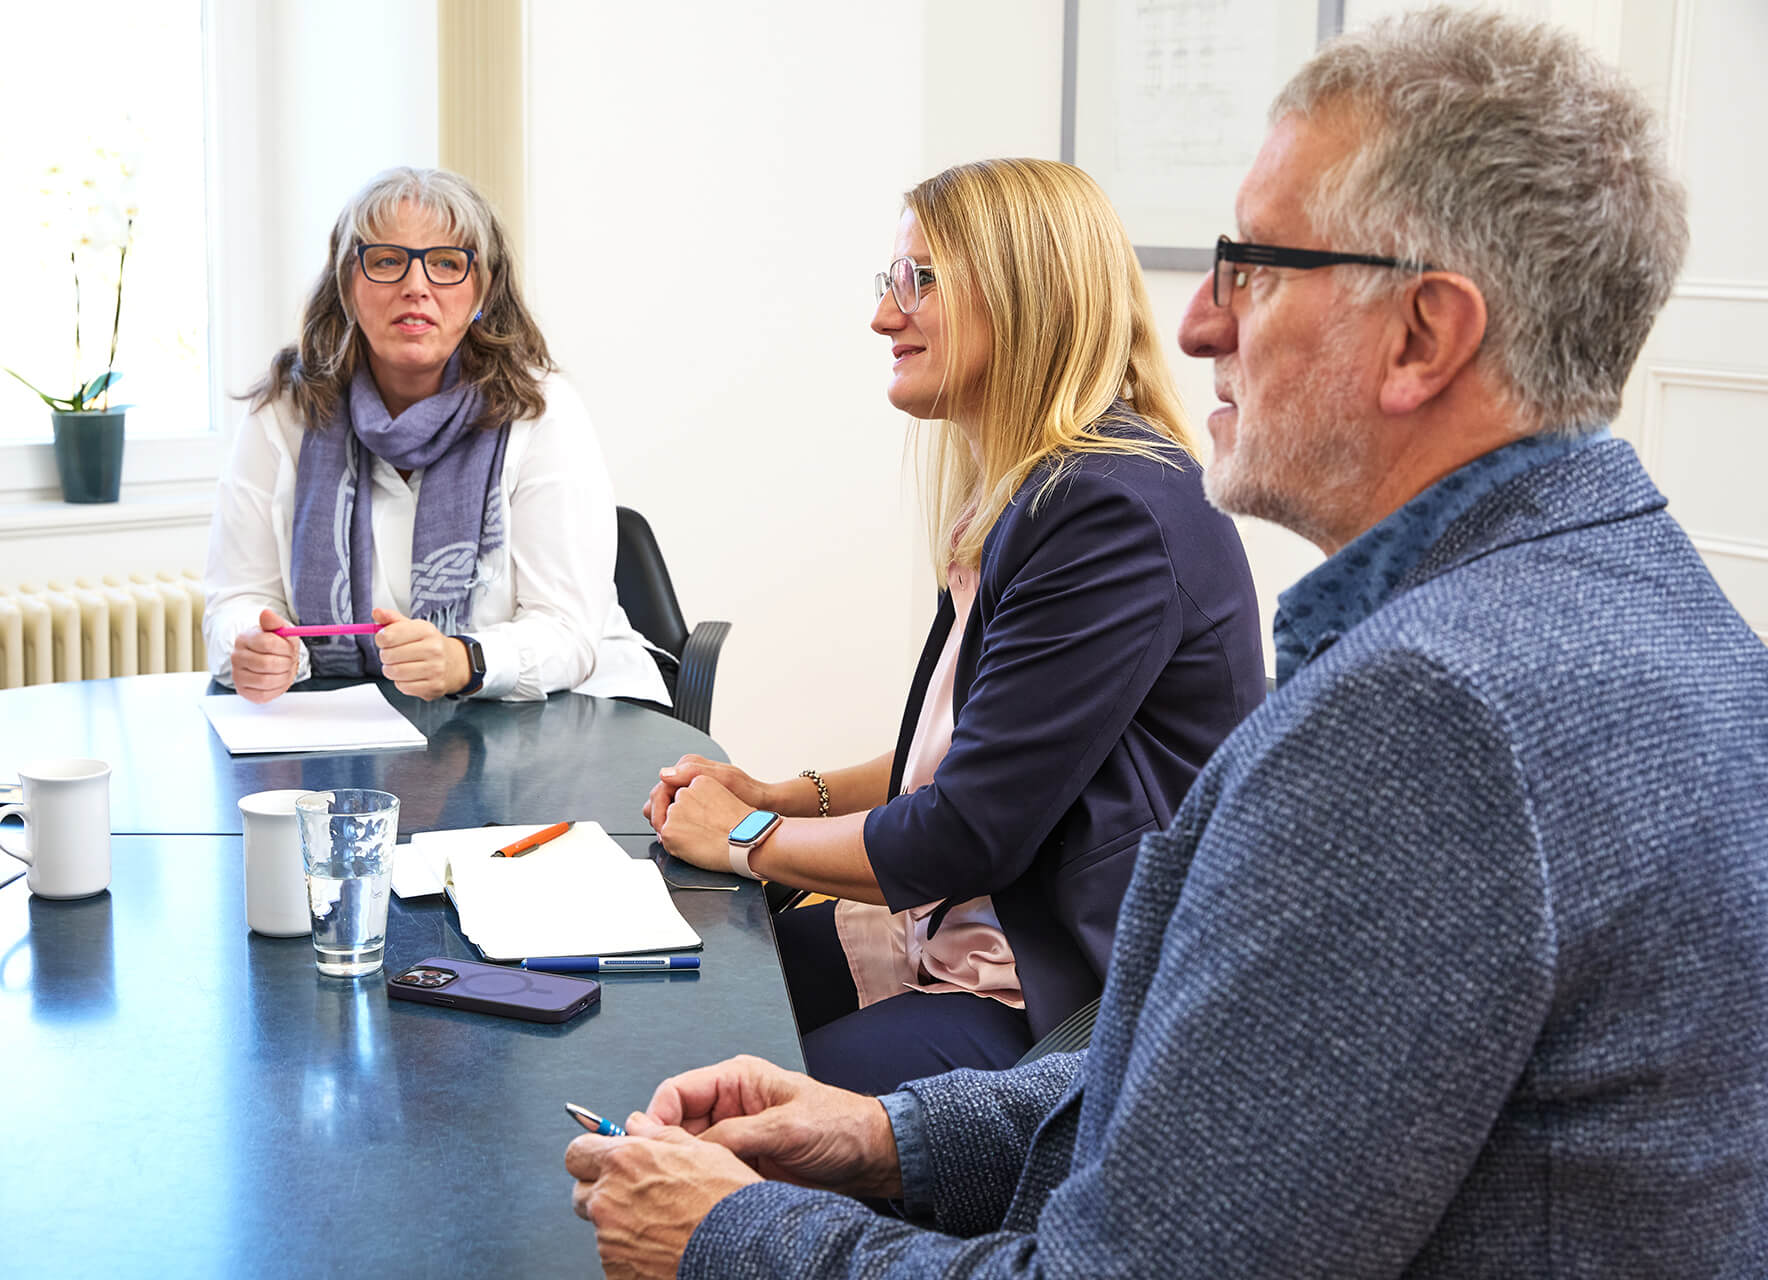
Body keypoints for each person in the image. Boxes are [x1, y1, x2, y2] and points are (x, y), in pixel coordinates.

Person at [567, 11, 1768, 1277]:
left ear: (1424, 334)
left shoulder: (1429, 714)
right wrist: (887, 1137)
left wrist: (734, 1238)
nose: (1196, 324)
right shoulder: (1652, 612)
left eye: (1249, 268)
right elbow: (1220, 1110)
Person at [645, 157, 1265, 1095]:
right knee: (679, 1007)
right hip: (961, 933)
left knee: (728, 1107)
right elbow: (960, 760)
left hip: (1061, 997)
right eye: (889, 282)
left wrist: (744, 836)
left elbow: (963, 831)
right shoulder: (1030, 494)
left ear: (1025, 294)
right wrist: (775, 794)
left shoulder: (1109, 510)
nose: (883, 316)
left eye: (917, 281)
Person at [202, 166, 667, 707]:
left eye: (446, 263)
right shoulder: (286, 410)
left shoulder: (542, 410)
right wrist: (254, 646)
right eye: (387, 261)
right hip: (356, 727)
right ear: (348, 285)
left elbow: (566, 629)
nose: (415, 287)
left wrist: (464, 660)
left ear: (482, 290)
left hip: (560, 714)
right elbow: (237, 600)